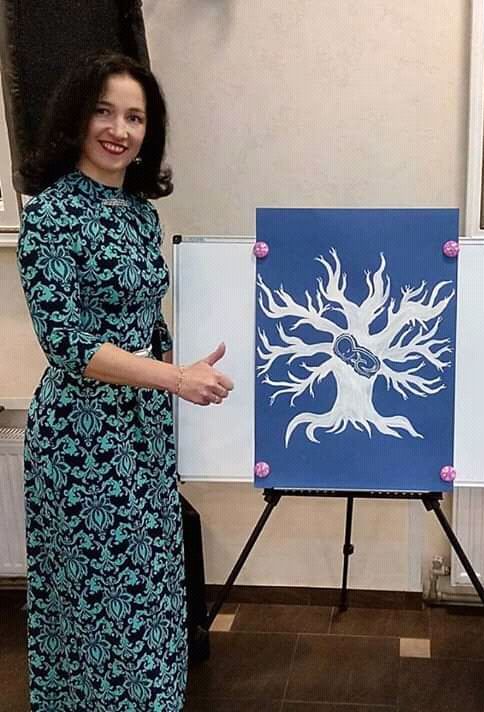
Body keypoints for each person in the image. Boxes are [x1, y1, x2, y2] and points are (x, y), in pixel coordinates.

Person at [16, 51, 234, 710]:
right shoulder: (50, 214)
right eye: (105, 112)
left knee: (153, 594)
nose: (119, 130)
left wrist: (183, 373)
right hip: (80, 440)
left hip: (142, 430)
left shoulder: (140, 214)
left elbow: (146, 320)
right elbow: (67, 343)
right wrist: (174, 377)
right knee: (97, 604)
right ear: (77, 118)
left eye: (135, 118)